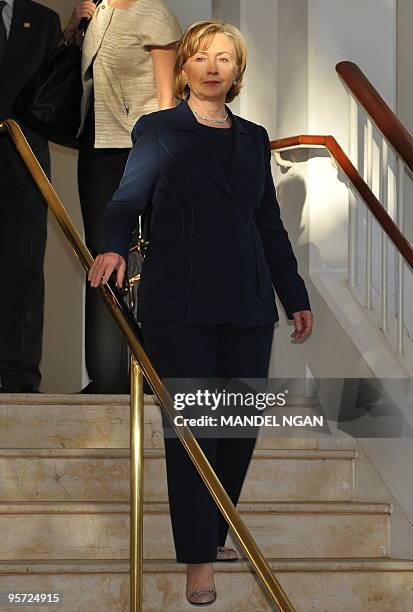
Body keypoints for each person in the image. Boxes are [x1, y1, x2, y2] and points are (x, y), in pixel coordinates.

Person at [89, 20, 313, 606]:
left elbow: (268, 223)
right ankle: (198, 560)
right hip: (179, 303)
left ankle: (214, 531)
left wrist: (295, 296)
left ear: (237, 72)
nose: (214, 67)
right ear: (184, 67)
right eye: (202, 57)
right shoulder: (159, 129)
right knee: (193, 431)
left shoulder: (254, 137)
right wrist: (111, 245)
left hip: (246, 298)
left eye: (225, 59)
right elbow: (126, 200)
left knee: (237, 428)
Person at [65, 0, 182, 393]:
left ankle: (150, 375)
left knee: (144, 261)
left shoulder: (154, 13)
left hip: (141, 150)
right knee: (99, 258)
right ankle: (105, 377)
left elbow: (168, 101)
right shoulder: (97, 11)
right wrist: (73, 27)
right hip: (96, 150)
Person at [0, 0, 62, 393]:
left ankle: (19, 377)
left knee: (22, 269)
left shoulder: (44, 20)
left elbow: (54, 92)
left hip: (24, 163)